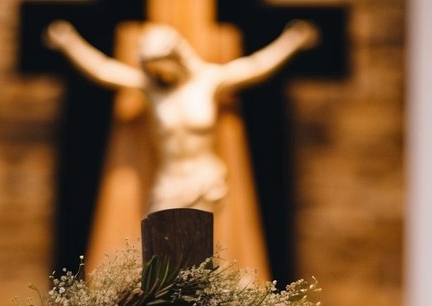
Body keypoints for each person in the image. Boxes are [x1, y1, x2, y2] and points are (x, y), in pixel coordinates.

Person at [45, 19, 318, 212]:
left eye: (161, 67)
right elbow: (104, 70)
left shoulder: (210, 79)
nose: (157, 75)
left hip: (206, 178)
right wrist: (70, 42)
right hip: (169, 183)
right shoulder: (150, 88)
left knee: (203, 258)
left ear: (177, 59)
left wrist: (290, 42)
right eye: (152, 69)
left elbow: (256, 66)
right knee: (166, 258)